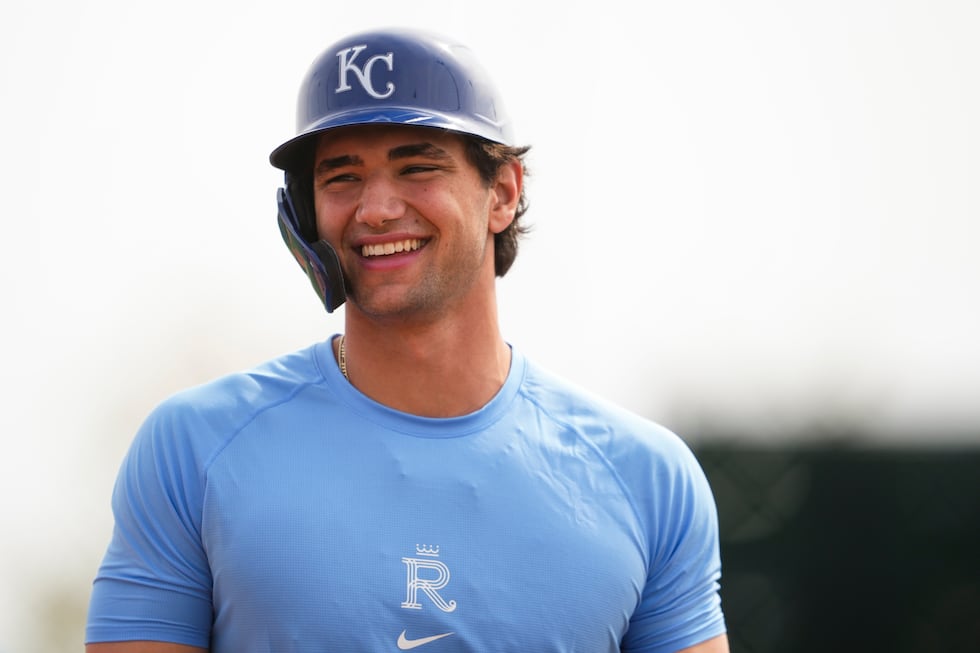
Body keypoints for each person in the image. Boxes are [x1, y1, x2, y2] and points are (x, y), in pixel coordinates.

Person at [85, 27, 730, 653]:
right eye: (341, 177)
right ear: (305, 213)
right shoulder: (193, 452)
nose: (376, 209)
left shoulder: (648, 480)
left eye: (417, 167)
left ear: (502, 193)